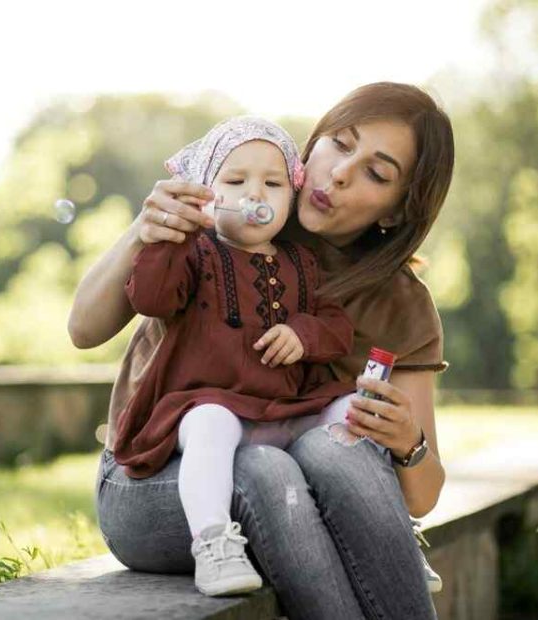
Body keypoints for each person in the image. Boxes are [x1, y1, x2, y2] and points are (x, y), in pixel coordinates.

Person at [71, 82, 454, 619]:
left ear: (396, 210)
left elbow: (421, 495)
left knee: (331, 446)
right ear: (314, 143)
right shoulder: (228, 215)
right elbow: (83, 329)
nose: (341, 172)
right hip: (156, 480)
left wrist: (407, 442)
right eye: (340, 144)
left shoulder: (401, 305)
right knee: (266, 469)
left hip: (302, 489)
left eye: (376, 172)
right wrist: (144, 230)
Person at [115, 116, 355, 596]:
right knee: (210, 422)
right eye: (235, 180)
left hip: (285, 414)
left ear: (293, 194)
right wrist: (167, 238)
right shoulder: (195, 253)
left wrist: (303, 335)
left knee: (352, 410)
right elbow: (151, 299)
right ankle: (214, 544)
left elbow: (337, 327)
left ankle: (378, 530)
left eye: (273, 183)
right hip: (210, 409)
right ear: (207, 191)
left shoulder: (301, 264)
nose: (256, 194)